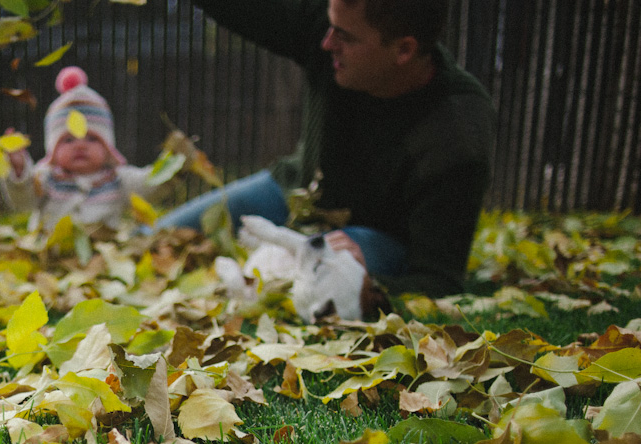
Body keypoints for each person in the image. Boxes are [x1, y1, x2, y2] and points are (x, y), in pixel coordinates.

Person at [158, 0, 495, 298]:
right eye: (330, 27)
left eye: (345, 37)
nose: (326, 42)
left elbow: (439, 281)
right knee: (156, 239)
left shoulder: (457, 132)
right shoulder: (335, 22)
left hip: (372, 237)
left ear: (404, 50)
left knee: (317, 270)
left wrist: (374, 288)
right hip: (293, 191)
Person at [0, 67, 160, 231]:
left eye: (92, 138)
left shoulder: (118, 179)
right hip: (49, 245)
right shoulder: (46, 178)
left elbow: (151, 184)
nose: (80, 145)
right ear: (53, 149)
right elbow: (23, 202)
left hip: (102, 245)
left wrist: (172, 165)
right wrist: (18, 170)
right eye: (68, 140)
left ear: (107, 147)